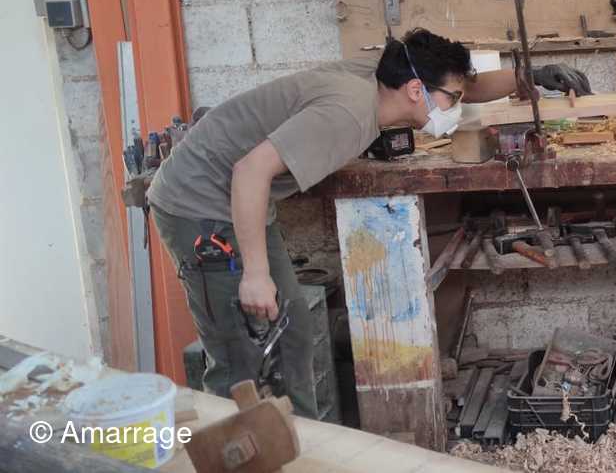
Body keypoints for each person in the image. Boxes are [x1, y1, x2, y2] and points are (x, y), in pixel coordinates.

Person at [146, 28, 591, 416]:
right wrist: (256, 275)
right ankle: (236, 447)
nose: (457, 105)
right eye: (452, 100)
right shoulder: (347, 114)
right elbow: (250, 171)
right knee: (238, 359)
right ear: (415, 90)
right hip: (201, 205)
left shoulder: (385, 76)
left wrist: (530, 75)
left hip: (243, 199)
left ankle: (298, 445)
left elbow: (461, 86)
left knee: (293, 331)